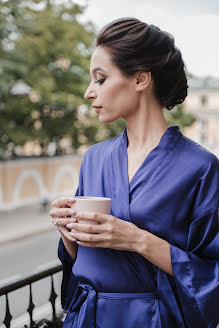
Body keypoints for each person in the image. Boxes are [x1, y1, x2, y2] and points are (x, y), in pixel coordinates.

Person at [50, 18, 219, 327]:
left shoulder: (200, 167)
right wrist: (68, 233)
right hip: (87, 318)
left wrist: (137, 240)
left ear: (141, 79)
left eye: (100, 79)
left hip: (153, 320)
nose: (89, 92)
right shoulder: (94, 158)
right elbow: (80, 262)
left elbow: (211, 274)